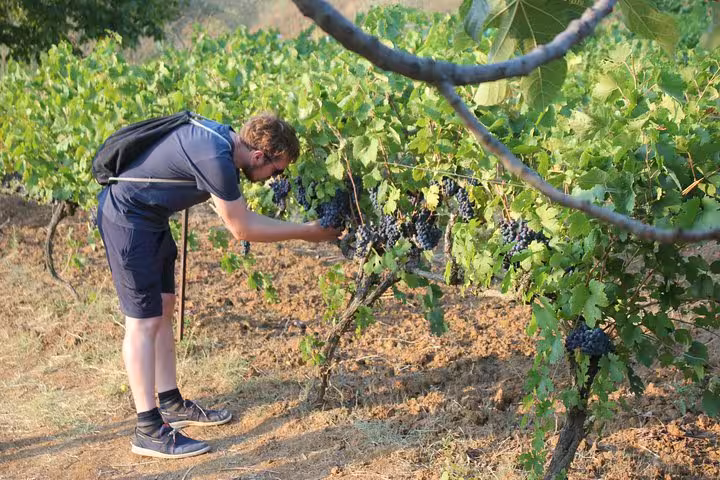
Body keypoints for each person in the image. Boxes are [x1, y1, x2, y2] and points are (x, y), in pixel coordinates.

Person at [95, 112, 341, 459]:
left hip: (149, 217)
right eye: (277, 170)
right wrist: (307, 232)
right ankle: (148, 430)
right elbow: (242, 228)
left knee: (164, 308)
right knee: (143, 322)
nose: (275, 178)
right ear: (259, 156)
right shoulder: (215, 157)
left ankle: (171, 404)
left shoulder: (222, 140)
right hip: (126, 217)